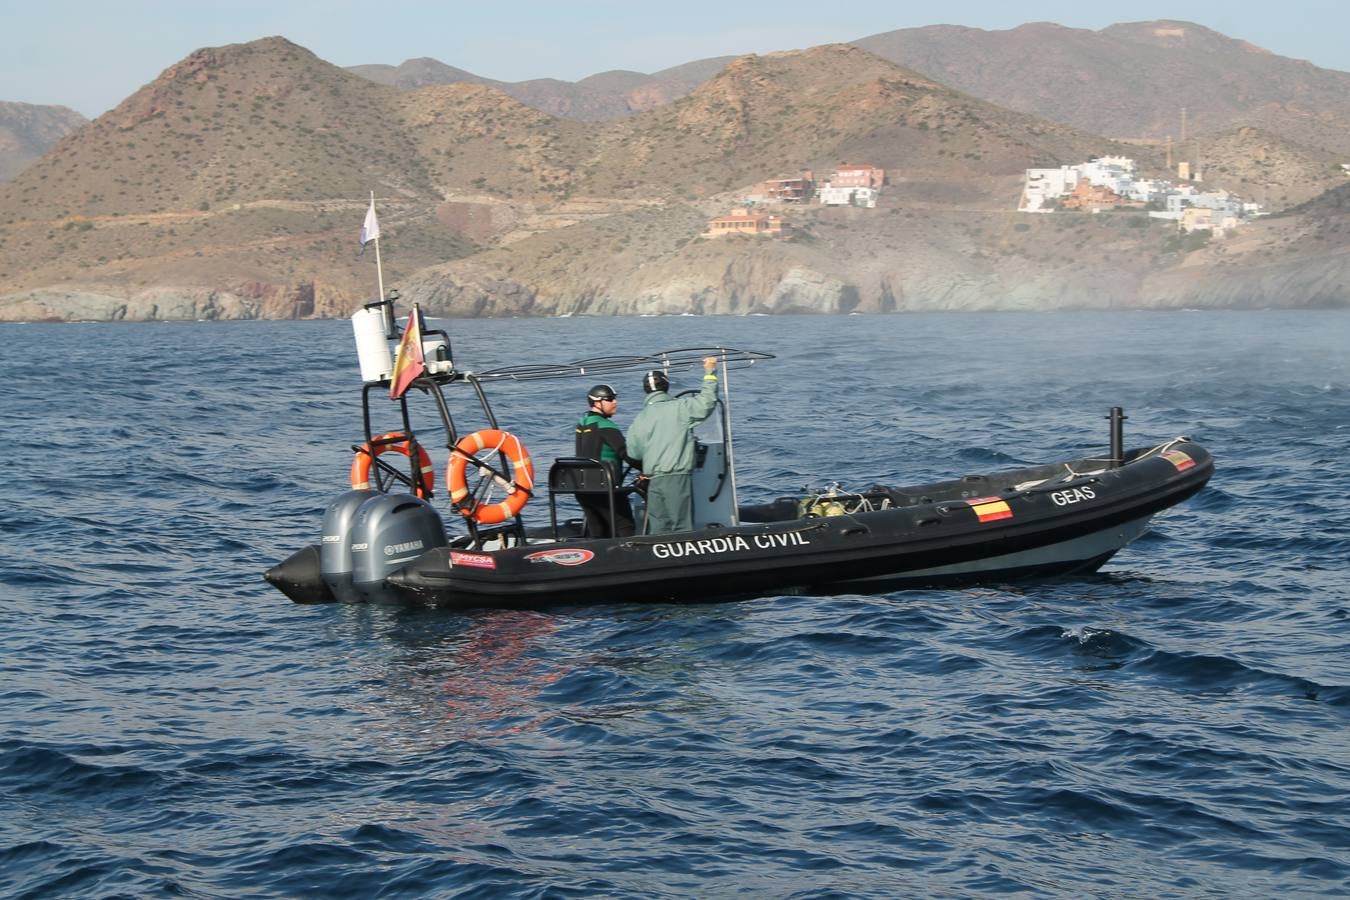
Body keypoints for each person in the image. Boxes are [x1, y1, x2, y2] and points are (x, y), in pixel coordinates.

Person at [625, 356, 720, 534]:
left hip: (653, 481)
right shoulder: (680, 408)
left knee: (659, 529)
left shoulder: (640, 418)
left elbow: (634, 452)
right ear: (666, 387)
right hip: (676, 478)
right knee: (682, 527)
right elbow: (707, 401)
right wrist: (710, 371)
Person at [573, 383, 639, 538]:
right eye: (609, 399)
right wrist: (647, 468)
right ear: (597, 403)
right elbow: (626, 453)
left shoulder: (582, 424)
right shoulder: (606, 425)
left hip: (583, 488)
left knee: (599, 531)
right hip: (605, 487)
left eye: (614, 399)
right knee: (625, 526)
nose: (615, 402)